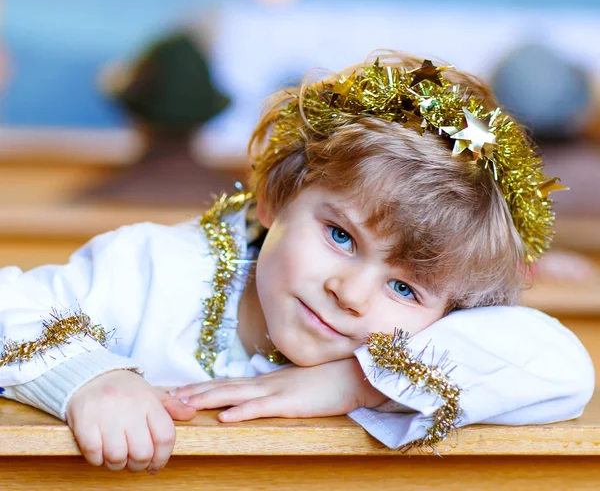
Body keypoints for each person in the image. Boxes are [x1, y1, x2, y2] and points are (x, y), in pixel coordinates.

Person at [0, 52, 594, 474]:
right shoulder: (155, 267)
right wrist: (89, 380)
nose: (351, 294)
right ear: (277, 196)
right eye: (340, 235)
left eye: (406, 288)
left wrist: (355, 382)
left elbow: (564, 370)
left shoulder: (425, 343)